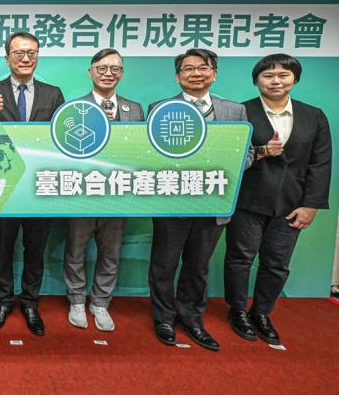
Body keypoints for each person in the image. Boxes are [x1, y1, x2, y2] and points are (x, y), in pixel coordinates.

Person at [148, 48, 252, 351]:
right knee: (163, 265)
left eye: (203, 68)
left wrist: (225, 165)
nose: (196, 73)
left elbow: (245, 154)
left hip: (213, 203)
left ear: (214, 74)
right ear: (177, 76)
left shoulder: (234, 111)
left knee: (198, 266)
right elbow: (149, 154)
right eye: (188, 68)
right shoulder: (160, 108)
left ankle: (192, 317)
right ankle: (164, 318)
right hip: (172, 202)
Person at [224, 54, 331, 344]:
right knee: (240, 258)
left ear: (294, 79)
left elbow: (320, 164)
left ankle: (261, 312)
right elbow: (229, 157)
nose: (276, 81)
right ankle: (238, 310)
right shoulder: (241, 112)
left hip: (291, 204)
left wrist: (311, 205)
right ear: (257, 80)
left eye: (283, 75)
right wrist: (261, 151)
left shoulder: (314, 116)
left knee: (277, 263)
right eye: (268, 75)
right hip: (247, 201)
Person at [0, 31, 65, 336]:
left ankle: (30, 302)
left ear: (37, 57)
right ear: (7, 58)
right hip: (5, 185)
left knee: (35, 248)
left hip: (40, 185)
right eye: (18, 53)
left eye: (31, 53)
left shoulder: (53, 94)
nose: (25, 58)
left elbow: (59, 139)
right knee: (3, 247)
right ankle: (3, 301)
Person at [65, 48, 144, 332]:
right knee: (75, 250)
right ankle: (76, 300)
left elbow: (141, 151)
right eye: (102, 68)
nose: (108, 74)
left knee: (110, 252)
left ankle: (100, 302)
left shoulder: (135, 109)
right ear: (91, 72)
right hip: (82, 193)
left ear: (121, 74)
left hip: (118, 194)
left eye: (115, 69)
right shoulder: (74, 109)